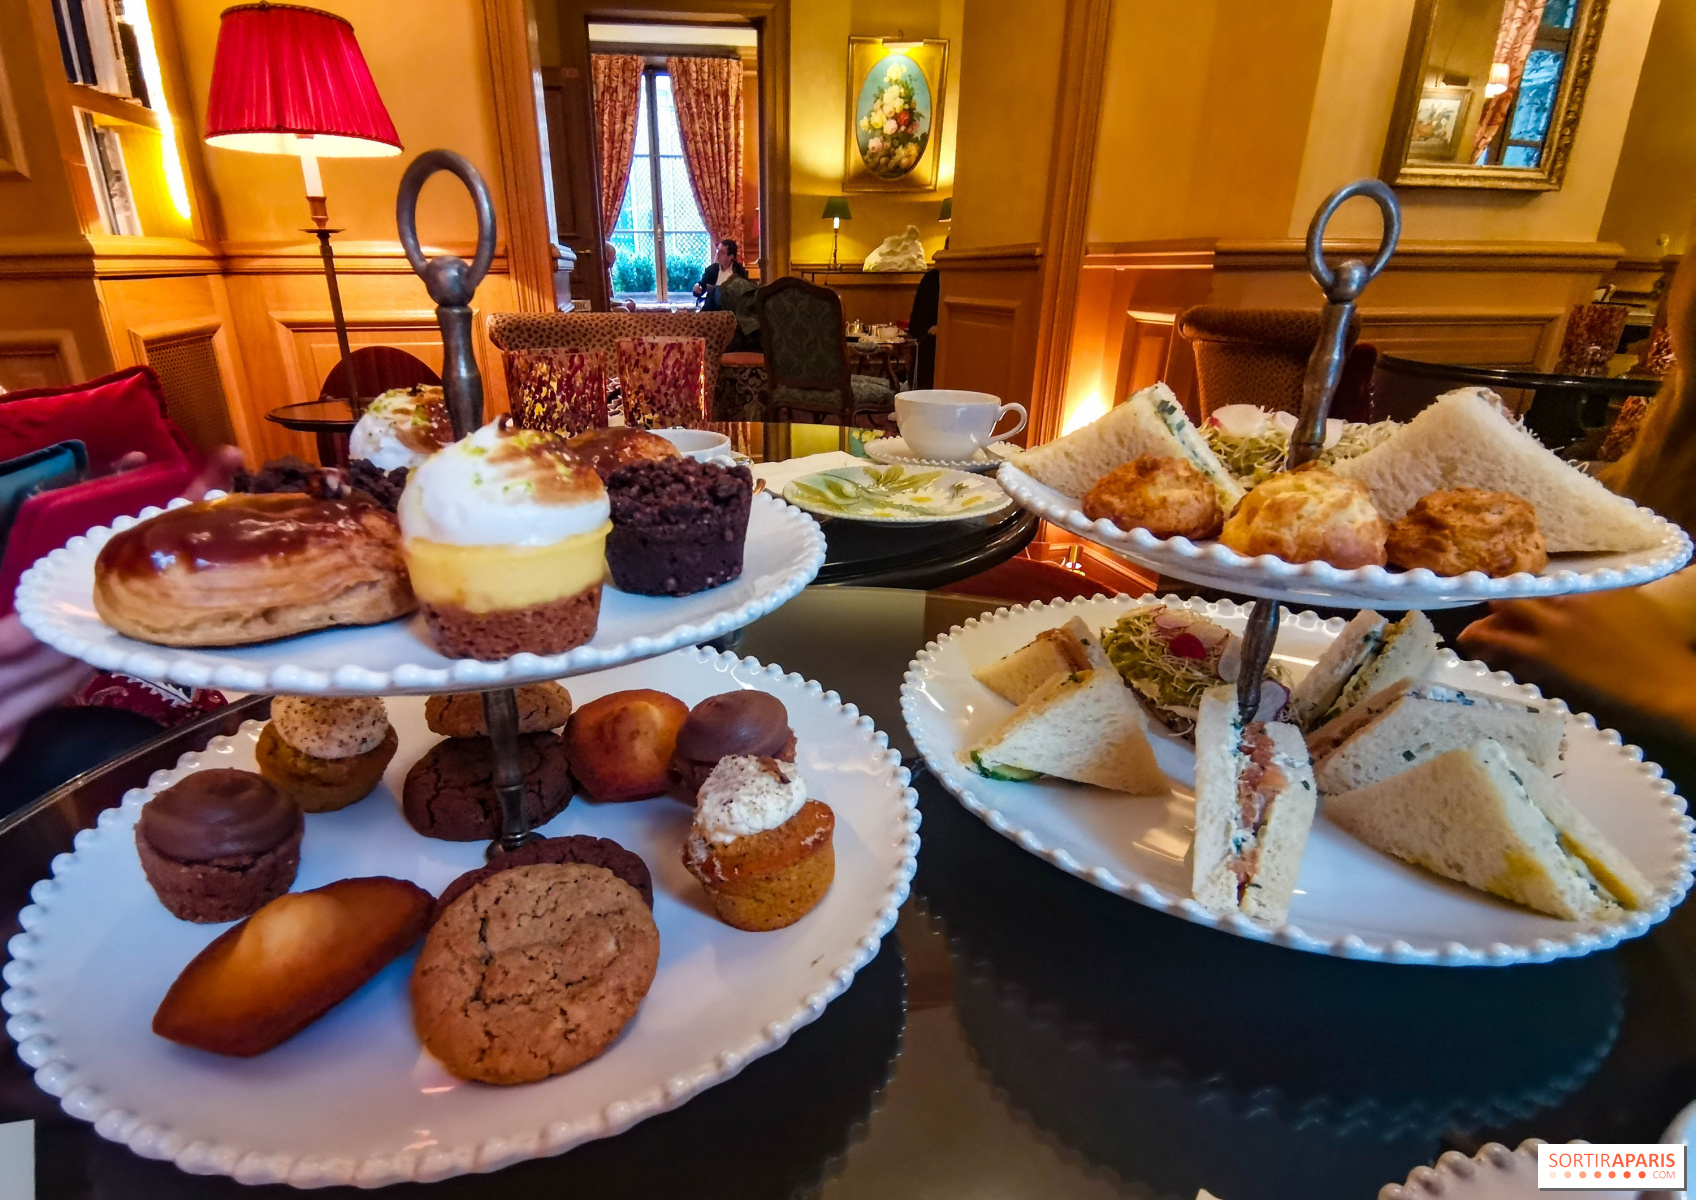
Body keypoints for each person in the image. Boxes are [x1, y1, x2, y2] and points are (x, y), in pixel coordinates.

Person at [694, 239, 749, 312]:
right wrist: (698, 287)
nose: (718, 254)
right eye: (718, 251)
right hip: (712, 310)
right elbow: (702, 285)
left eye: (722, 252)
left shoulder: (739, 271)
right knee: (715, 291)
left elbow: (744, 295)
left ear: (731, 257)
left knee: (720, 290)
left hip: (731, 310)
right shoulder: (712, 270)